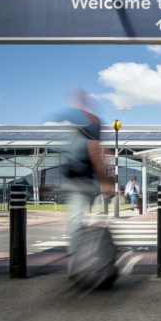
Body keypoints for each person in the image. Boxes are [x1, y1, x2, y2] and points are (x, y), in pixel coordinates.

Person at [60, 90, 114, 254]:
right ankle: (78, 256)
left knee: (78, 218)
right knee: (79, 218)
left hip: (75, 178)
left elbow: (93, 149)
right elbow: (94, 150)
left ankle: (77, 252)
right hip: (83, 180)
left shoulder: (74, 123)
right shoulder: (92, 121)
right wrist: (106, 180)